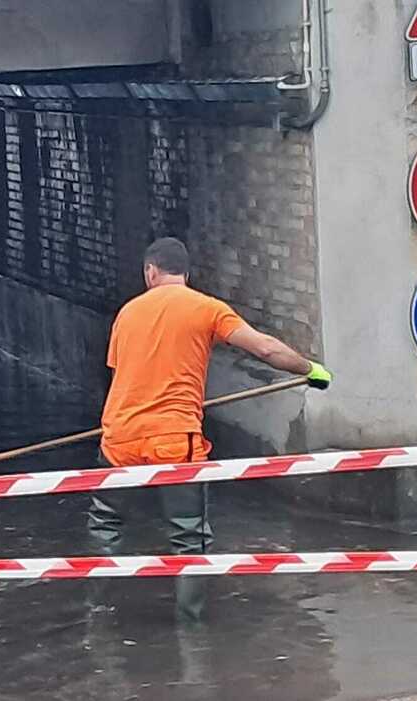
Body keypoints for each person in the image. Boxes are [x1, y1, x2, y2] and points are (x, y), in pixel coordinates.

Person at [90, 238, 332, 611]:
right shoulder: (206, 308)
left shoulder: (127, 313)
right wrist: (310, 370)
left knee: (106, 523)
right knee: (188, 540)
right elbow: (265, 348)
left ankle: (100, 611)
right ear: (186, 274)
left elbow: (118, 374)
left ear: (150, 272)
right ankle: (192, 630)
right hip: (174, 440)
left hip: (118, 437)